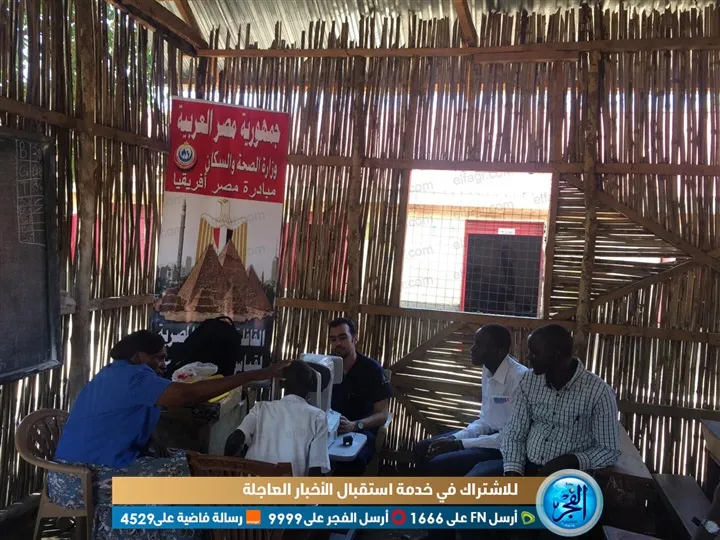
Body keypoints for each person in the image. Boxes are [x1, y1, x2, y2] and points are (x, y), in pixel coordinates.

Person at [48, 330, 288, 540]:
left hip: (91, 466)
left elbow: (122, 414)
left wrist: (151, 439)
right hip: (78, 480)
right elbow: (187, 395)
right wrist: (251, 375)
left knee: (191, 461)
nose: (164, 364)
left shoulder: (118, 373)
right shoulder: (133, 377)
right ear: (138, 357)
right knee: (184, 480)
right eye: (159, 357)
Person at [501, 324, 621, 478]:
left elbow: (609, 450)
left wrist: (572, 461)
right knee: (480, 484)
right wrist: (513, 471)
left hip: (570, 477)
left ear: (555, 355)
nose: (529, 358)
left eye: (535, 353)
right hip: (527, 466)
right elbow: (514, 432)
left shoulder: (598, 393)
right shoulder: (529, 380)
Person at [414, 324, 527, 478]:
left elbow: (511, 437)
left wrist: (460, 444)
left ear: (498, 350)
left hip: (505, 447)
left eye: (479, 344)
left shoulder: (519, 378)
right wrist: (455, 438)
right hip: (489, 437)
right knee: (423, 448)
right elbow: (485, 420)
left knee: (439, 463)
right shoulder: (488, 369)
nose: (472, 349)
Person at [224, 361, 331, 476]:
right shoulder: (318, 417)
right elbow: (316, 469)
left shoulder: (261, 408)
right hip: (288, 486)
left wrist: (228, 471)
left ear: (283, 383)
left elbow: (234, 440)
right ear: (310, 386)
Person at [328, 317, 392, 476]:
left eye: (343, 338)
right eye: (333, 339)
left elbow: (383, 414)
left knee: (353, 461)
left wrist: (355, 425)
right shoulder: (325, 367)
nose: (338, 343)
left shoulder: (372, 370)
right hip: (326, 429)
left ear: (354, 339)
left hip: (361, 431)